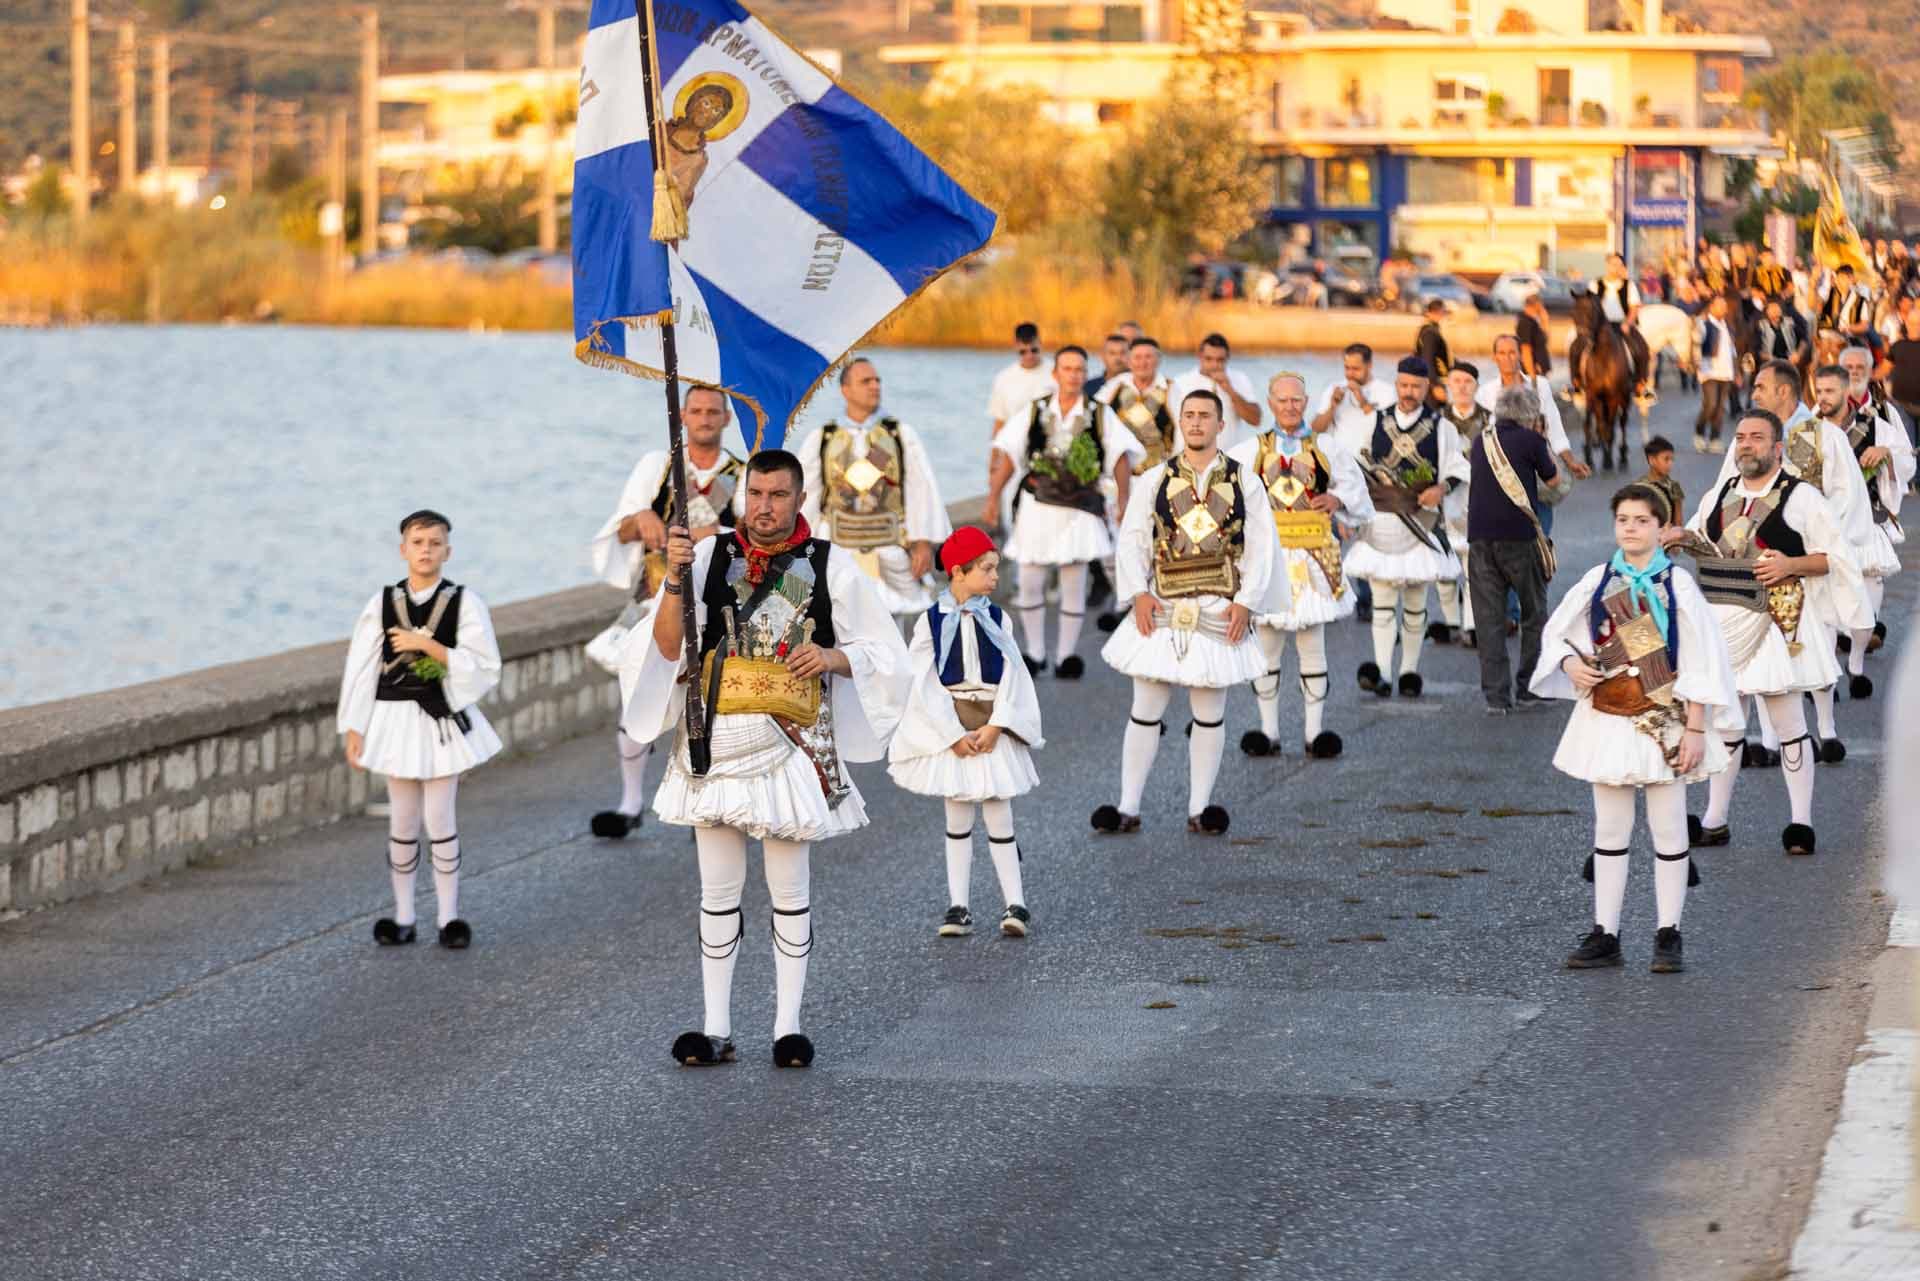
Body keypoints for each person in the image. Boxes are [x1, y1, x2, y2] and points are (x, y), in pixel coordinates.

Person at [622, 450, 912, 1070]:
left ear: (800, 499)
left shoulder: (831, 568)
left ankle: (787, 1028)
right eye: (755, 494)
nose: (764, 507)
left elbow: (889, 653)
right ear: (743, 496)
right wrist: (674, 580)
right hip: (716, 740)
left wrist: (833, 659)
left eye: (778, 495)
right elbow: (668, 644)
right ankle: (716, 1026)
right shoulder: (706, 557)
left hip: (791, 743)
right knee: (717, 892)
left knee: (788, 891)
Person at [1537, 485, 1736, 973]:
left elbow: (1702, 657)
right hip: (1609, 715)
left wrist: (1695, 727)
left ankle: (1668, 934)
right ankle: (1606, 933)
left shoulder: (1678, 586)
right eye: (1623, 519)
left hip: (1663, 717)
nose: (1630, 527)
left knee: (1667, 827)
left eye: (1642, 520)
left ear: (1659, 528)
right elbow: (1559, 632)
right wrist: (1568, 662)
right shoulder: (1598, 580)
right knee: (1610, 827)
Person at [1670, 410, 1869, 858]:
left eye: (1757, 438)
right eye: (1740, 437)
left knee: (1787, 723)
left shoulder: (1803, 499)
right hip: (1723, 623)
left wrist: (1791, 565)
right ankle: (1715, 820)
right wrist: (1681, 536)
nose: (1746, 445)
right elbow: (1705, 543)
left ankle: (1801, 823)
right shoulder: (1720, 492)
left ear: (1777, 448)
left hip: (1778, 624)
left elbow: (1834, 559)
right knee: (1725, 722)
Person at [1092, 388, 1278, 835]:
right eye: (1189, 415)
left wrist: (1247, 601)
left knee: (1209, 708)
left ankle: (1200, 808)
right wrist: (1137, 591)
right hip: (1163, 604)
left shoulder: (1244, 481)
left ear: (1221, 425)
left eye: (1205, 416)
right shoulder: (1154, 478)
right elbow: (1134, 538)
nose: (1196, 423)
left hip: (1218, 605)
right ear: (1181, 422)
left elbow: (1260, 546)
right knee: (1146, 707)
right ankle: (1128, 806)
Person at [338, 510, 503, 950]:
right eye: (418, 542)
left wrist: (428, 645)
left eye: (434, 542)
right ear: (402, 549)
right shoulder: (382, 602)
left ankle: (449, 915)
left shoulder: (465, 602)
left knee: (439, 816)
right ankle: (404, 914)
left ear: (447, 550)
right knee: (404, 819)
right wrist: (355, 727)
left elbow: (485, 664)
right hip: (394, 721)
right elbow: (362, 667)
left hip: (439, 721)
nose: (426, 550)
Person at [585, 387, 744, 839]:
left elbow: (755, 535)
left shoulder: (742, 473)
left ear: (726, 418)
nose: (705, 417)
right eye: (696, 410)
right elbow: (620, 531)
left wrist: (716, 530)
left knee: (711, 703)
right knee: (638, 694)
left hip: (716, 602)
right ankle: (631, 801)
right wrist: (641, 520)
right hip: (656, 598)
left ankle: (705, 798)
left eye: (714, 411)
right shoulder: (658, 467)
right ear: (682, 415)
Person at [888, 527, 1042, 940]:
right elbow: (922, 681)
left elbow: (1013, 672)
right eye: (987, 569)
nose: (995, 577)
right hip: (953, 730)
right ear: (958, 572)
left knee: (998, 814)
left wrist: (998, 724)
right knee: (957, 816)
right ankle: (959, 906)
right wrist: (950, 733)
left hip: (992, 725)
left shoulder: (998, 617)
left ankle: (1016, 904)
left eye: (995, 568)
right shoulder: (929, 622)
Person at [1719, 360, 1878, 761]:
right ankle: (1772, 740)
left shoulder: (1823, 436)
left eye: (1760, 387)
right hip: (1762, 558)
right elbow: (1725, 492)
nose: (1753, 393)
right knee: (1762, 650)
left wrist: (1818, 542)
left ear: (1783, 392)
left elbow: (1845, 493)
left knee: (1815, 645)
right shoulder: (1750, 438)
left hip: (1809, 559)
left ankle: (1825, 729)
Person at [1231, 371, 1373, 759]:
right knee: (1268, 647)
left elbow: (1358, 492)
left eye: (1296, 400)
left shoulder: (1328, 447)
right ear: (1271, 402)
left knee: (1312, 645)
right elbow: (1229, 498)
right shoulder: (1249, 451)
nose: (1290, 407)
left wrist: (1338, 502)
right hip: (1269, 557)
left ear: (1306, 402)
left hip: (1314, 555)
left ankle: (1315, 732)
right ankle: (1268, 731)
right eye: (1282, 400)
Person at [986, 346, 1144, 677]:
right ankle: (1034, 652)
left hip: (1081, 505)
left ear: (1085, 375)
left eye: (1079, 369)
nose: (1074, 375)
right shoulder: (1034, 411)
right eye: (1067, 368)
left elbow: (1120, 456)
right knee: (1030, 578)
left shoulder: (1099, 413)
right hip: (1038, 503)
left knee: (1074, 578)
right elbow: (1009, 455)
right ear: (1055, 374)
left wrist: (1125, 500)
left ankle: (1065, 657)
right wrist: (992, 498)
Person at [793, 357, 951, 625]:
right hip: (838, 545)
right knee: (837, 624)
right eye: (866, 381)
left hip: (888, 544)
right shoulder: (823, 438)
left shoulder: (900, 435)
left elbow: (920, 489)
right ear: (845, 389)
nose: (875, 386)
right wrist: (798, 547)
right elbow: (807, 494)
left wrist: (922, 542)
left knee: (893, 627)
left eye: (877, 380)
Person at [1348, 356, 1468, 699]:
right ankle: (1383, 672)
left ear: (1427, 387)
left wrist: (1441, 488)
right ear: (1396, 383)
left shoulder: (1441, 426)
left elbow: (1458, 467)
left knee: (1416, 601)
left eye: (1416, 386)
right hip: (1382, 519)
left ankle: (1409, 672)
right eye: (1403, 385)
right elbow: (1356, 464)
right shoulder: (1376, 419)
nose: (1409, 392)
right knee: (1383, 600)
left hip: (1421, 521)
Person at [1466, 383, 1560, 714]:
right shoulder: (1532, 440)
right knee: (1534, 613)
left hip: (1478, 539)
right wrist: (1542, 439)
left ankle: (1496, 697)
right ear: (1531, 415)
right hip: (1519, 538)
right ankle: (1528, 686)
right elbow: (1554, 480)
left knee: (1489, 620)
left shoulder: (1481, 441)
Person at [1829, 348, 1915, 696]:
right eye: (1847, 367)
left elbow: (1906, 456)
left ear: (1869, 370)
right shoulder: (1824, 411)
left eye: (1859, 367)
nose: (1853, 372)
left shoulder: (1883, 412)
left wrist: (1887, 454)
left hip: (1872, 511)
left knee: (1871, 584)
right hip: (1832, 514)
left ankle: (1858, 655)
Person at [1311, 342, 1395, 622]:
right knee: (1330, 536)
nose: (1350, 373)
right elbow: (1316, 428)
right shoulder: (1333, 389)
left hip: (1372, 470)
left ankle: (1368, 599)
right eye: (1347, 367)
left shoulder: (1384, 391)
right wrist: (1333, 407)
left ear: (1369, 366)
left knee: (1368, 532)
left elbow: (1389, 429)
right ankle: (1331, 596)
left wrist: (1362, 401)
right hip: (1336, 470)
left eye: (1356, 368)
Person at [1436, 360, 1490, 646]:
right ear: (1448, 385)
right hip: (1444, 498)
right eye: (1456, 382)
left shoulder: (1490, 420)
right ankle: (1450, 621)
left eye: (1467, 382)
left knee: (1474, 565)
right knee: (1443, 563)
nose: (1462, 387)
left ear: (1476, 386)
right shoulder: (1436, 420)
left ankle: (1471, 625)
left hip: (1478, 498)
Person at [1570, 253, 1652, 399]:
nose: (1616, 268)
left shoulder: (1629, 285)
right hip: (1598, 326)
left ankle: (1640, 386)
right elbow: (1588, 306)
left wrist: (1627, 323)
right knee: (1575, 347)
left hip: (1621, 325)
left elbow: (1634, 308)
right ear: (1607, 265)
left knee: (1642, 348)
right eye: (1613, 264)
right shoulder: (1595, 284)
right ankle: (1576, 384)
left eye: (1619, 264)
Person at [1170, 332, 1262, 449]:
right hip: (1189, 459)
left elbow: (1255, 420)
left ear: (1228, 358)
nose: (1214, 365)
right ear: (1199, 355)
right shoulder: (1180, 382)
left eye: (1220, 360)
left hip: (1228, 458)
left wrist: (1230, 391)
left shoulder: (1239, 379)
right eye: (1209, 359)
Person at [987, 322, 1054, 436]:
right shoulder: (1003, 378)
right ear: (1015, 346)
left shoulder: (1057, 372)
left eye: (1034, 350)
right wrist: (994, 451)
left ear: (1040, 343)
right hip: (1015, 443)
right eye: (1023, 352)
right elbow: (999, 422)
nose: (1029, 356)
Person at [1694, 293, 1737, 454]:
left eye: (1724, 305)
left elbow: (1733, 352)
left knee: (1720, 407)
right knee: (1710, 404)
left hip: (1726, 372)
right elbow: (1697, 345)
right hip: (1709, 371)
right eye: (1720, 305)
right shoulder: (1704, 325)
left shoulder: (1728, 327)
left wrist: (1737, 372)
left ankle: (1715, 439)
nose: (1724, 308)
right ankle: (1699, 432)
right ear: (1712, 307)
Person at [1636, 436, 1684, 530]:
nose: (1670, 464)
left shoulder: (1674, 487)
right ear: (1652, 460)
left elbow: (1678, 522)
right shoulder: (1639, 488)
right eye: (1666, 459)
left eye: (1672, 460)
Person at [1413, 299, 1452, 405]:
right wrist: (1435, 386)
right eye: (1442, 313)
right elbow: (1427, 360)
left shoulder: (1428, 330)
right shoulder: (1430, 333)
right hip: (1430, 387)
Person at [1516, 294, 1553, 380]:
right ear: (1536, 305)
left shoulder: (1534, 322)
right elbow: (1525, 349)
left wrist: (1545, 320)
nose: (1542, 307)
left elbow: (1545, 340)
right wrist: (1532, 376)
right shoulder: (1525, 323)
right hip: (1533, 372)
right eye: (1541, 305)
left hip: (1539, 372)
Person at [1084, 331, 1130, 402]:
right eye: (1112, 353)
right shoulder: (1088, 387)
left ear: (1130, 355)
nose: (1117, 358)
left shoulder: (1138, 385)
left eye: (1122, 353)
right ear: (1102, 355)